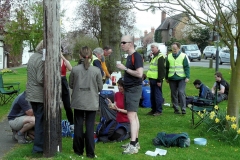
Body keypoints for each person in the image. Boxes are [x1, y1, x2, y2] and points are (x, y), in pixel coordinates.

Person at [69, 46, 103, 158]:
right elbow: (100, 87)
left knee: (78, 125)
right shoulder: (96, 70)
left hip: (78, 100)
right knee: (89, 127)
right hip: (91, 101)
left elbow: (71, 85)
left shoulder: (75, 69)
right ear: (91, 56)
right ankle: (90, 152)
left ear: (80, 55)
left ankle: (78, 150)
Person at [116, 35, 143, 154]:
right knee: (134, 116)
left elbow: (139, 74)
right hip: (129, 89)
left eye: (123, 42)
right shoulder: (129, 56)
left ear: (130, 43)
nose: (121, 45)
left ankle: (133, 146)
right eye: (121, 42)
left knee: (131, 117)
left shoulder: (136, 56)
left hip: (133, 89)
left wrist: (125, 68)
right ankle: (135, 142)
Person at [26, 40, 44, 154]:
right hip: (38, 94)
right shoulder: (41, 59)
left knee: (38, 119)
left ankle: (38, 144)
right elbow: (41, 78)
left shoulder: (32, 56)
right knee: (40, 121)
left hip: (31, 93)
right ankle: (38, 148)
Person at [165, 42, 190, 115]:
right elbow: (167, 68)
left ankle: (183, 108)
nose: (174, 50)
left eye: (175, 49)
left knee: (181, 92)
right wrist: (166, 77)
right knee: (173, 94)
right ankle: (176, 109)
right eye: (173, 49)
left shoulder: (183, 56)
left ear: (179, 48)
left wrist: (187, 76)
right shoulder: (169, 56)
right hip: (172, 78)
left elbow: (187, 67)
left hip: (181, 78)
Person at [146, 43, 166, 116]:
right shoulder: (153, 56)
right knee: (153, 95)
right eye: (151, 47)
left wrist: (159, 80)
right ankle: (153, 109)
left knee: (157, 95)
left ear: (157, 48)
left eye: (153, 47)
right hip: (152, 78)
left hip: (157, 79)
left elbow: (161, 69)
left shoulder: (160, 57)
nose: (152, 49)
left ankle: (159, 110)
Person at [61, 46, 74, 129]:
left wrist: (62, 57)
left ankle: (71, 123)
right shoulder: (52, 60)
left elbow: (71, 69)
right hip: (54, 83)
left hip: (63, 82)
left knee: (67, 105)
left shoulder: (64, 61)